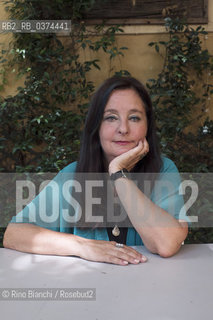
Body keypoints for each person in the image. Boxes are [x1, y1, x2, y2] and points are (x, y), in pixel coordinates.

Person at [3, 76, 188, 265]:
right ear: (96, 126)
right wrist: (82, 246)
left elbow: (166, 244)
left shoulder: (163, 170)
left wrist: (118, 173)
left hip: (149, 288)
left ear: (147, 126)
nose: (123, 128)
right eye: (111, 117)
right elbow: (14, 234)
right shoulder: (73, 175)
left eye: (134, 117)